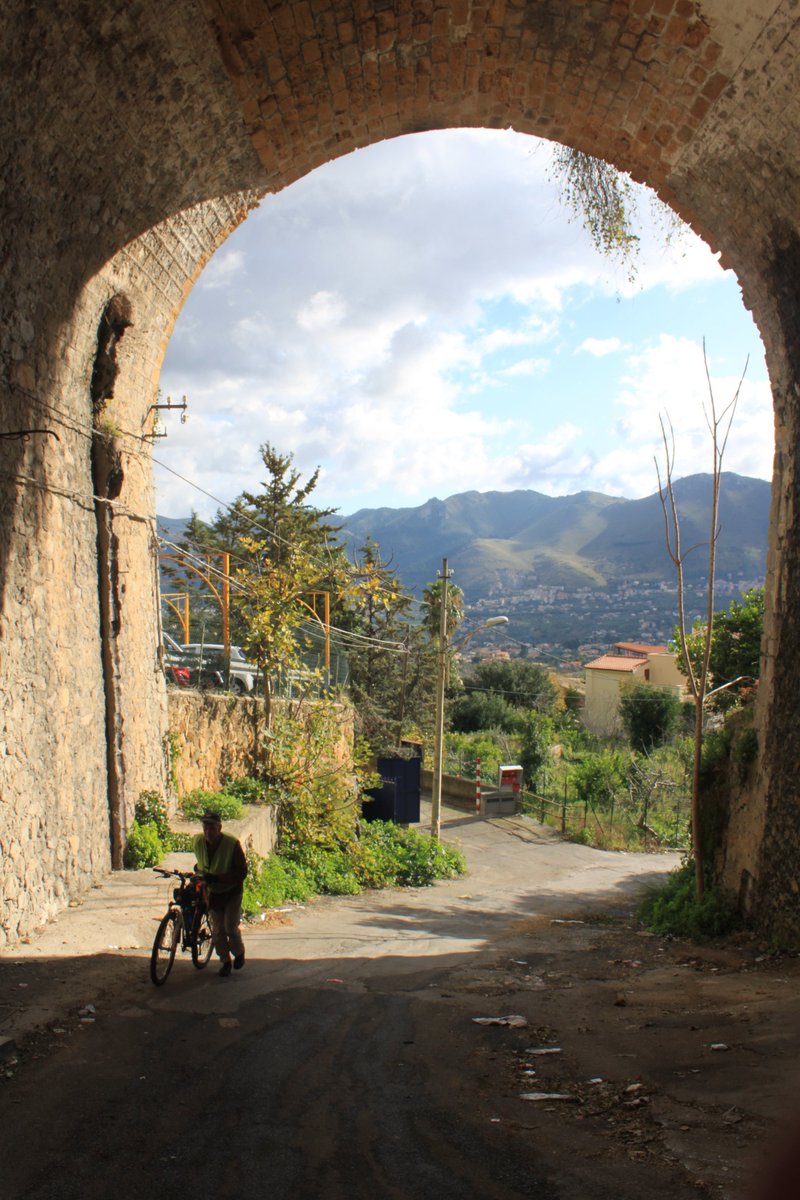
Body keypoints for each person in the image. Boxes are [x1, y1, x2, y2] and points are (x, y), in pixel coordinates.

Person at [193, 809, 248, 977]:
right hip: (212, 893)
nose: (208, 832)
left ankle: (239, 953)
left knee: (230, 927)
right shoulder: (198, 841)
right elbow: (200, 864)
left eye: (212, 828)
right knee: (217, 931)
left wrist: (220, 878)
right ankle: (225, 961)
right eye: (205, 828)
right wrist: (199, 874)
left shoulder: (231, 844)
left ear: (219, 828)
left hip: (231, 892)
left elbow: (241, 872)